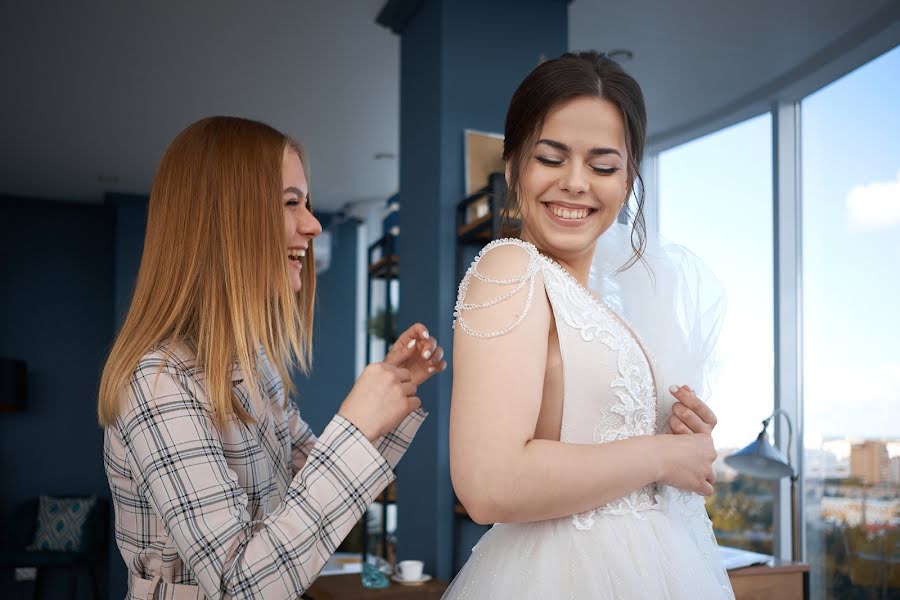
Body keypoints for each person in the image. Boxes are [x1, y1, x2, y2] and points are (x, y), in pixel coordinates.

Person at [97, 116, 446, 600]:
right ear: (223, 218)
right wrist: (357, 426)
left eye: (306, 202)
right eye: (290, 203)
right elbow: (241, 585)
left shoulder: (254, 366)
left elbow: (316, 495)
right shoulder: (158, 382)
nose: (314, 224)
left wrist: (387, 396)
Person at [445, 52, 734, 598]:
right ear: (512, 167)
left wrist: (681, 437)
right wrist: (661, 456)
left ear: (627, 182)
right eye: (551, 158)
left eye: (603, 166)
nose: (576, 183)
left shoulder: (598, 301)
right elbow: (488, 483)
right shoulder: (510, 268)